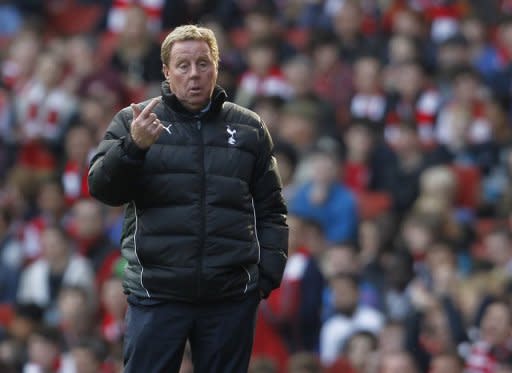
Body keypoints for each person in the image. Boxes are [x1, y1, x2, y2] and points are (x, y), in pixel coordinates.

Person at [88, 24, 289, 373]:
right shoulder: (135, 120)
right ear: (167, 71)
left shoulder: (248, 128)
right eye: (183, 65)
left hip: (229, 297)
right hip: (157, 293)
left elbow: (271, 210)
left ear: (216, 66)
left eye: (203, 63)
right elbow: (102, 189)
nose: (194, 74)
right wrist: (133, 147)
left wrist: (265, 276)